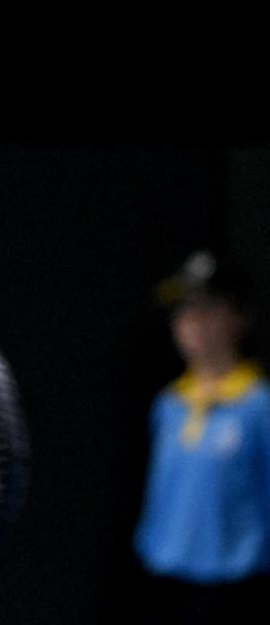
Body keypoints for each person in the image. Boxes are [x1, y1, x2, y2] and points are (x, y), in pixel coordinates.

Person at [134, 249, 270, 624]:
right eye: (182, 311)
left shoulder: (259, 406)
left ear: (238, 316)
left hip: (234, 588)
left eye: (206, 308)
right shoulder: (169, 404)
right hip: (164, 579)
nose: (191, 322)